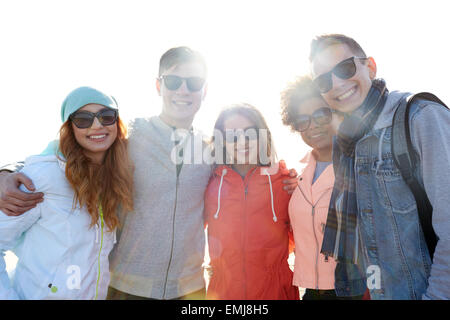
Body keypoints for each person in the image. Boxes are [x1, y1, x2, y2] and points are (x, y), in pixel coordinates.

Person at [0, 47, 299, 300]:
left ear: (204, 90)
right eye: (174, 81)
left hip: (190, 290)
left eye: (194, 82)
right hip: (125, 287)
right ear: (159, 86)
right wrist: (10, 170)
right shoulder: (130, 138)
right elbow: (74, 146)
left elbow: (250, 169)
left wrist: (290, 181)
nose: (184, 90)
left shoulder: (211, 148)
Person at [309, 34, 450, 300]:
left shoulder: (421, 117)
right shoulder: (347, 143)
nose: (337, 84)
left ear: (370, 67)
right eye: (324, 81)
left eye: (345, 68)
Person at [0, 86, 134, 299]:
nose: (97, 125)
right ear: (70, 127)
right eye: (83, 119)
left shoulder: (116, 177)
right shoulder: (43, 177)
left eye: (106, 116)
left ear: (117, 123)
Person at [280, 75, 365, 300]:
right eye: (302, 120)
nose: (313, 126)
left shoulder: (361, 167)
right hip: (311, 292)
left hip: (355, 291)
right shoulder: (298, 176)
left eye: (321, 114)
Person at [204, 103, 299, 300]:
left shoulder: (285, 182)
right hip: (223, 294)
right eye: (232, 136)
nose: (242, 142)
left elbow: (305, 241)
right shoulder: (210, 183)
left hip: (276, 293)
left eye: (250, 133)